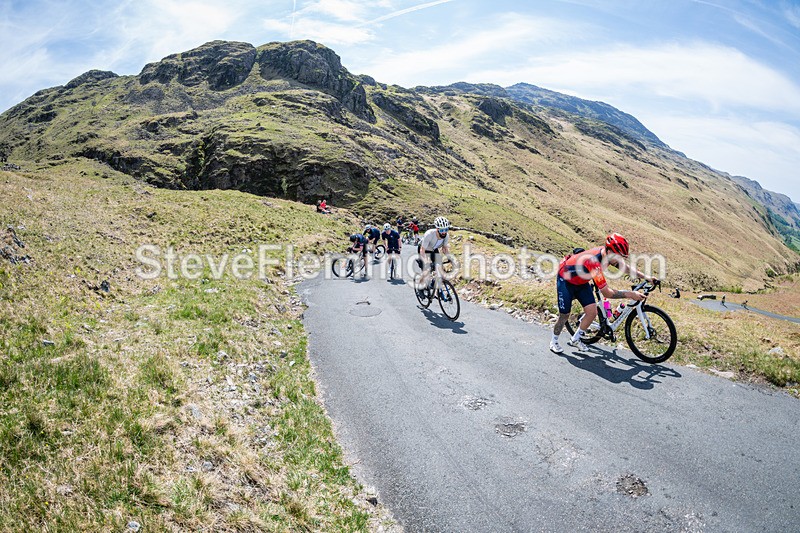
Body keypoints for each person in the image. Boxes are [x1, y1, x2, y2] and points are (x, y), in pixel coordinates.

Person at [550, 233, 655, 354]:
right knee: (564, 315)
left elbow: (625, 268)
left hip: (582, 282)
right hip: (566, 281)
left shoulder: (608, 255)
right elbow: (607, 293)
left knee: (592, 312)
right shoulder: (593, 262)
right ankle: (554, 341)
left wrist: (646, 277)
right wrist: (631, 294)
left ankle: (576, 339)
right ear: (610, 251)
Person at [416, 216, 451, 288]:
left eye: (446, 229)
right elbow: (422, 250)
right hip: (424, 249)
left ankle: (435, 284)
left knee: (440, 268)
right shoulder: (429, 234)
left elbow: (444, 249)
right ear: (437, 229)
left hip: (434, 249)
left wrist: (450, 258)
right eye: (441, 230)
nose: (444, 232)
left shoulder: (446, 236)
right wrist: (426, 261)